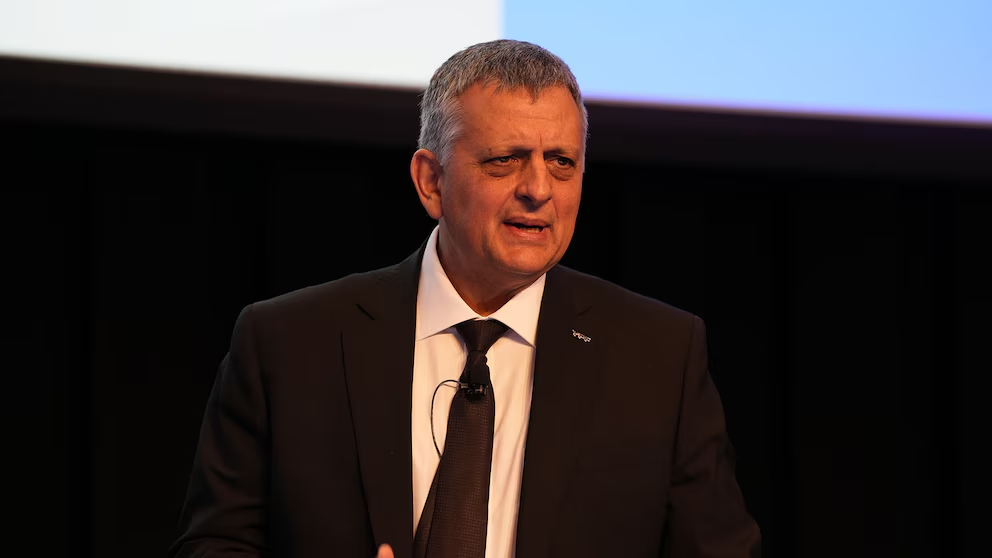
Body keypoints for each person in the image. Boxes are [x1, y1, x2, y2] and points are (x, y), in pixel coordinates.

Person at [171, 40, 760, 558]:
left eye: (562, 162)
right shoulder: (288, 342)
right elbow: (214, 544)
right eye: (506, 160)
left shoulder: (659, 356)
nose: (538, 189)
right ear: (431, 181)